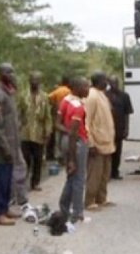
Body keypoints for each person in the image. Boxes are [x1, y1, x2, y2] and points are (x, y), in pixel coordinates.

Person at [0, 63, 22, 226]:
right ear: (1, 74)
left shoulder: (8, 92)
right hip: (0, 146)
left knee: (7, 178)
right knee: (1, 178)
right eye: (9, 72)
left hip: (11, 143)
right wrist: (5, 147)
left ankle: (5, 207)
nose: (12, 74)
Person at [57, 78, 90, 223]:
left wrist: (67, 131)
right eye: (86, 86)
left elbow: (57, 123)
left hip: (66, 140)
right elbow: (75, 132)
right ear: (77, 88)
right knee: (79, 179)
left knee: (71, 176)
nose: (88, 89)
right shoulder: (78, 107)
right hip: (76, 143)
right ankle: (77, 213)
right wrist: (72, 158)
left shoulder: (65, 100)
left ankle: (64, 207)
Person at [84, 72, 116, 211]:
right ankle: (89, 201)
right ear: (99, 81)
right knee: (95, 174)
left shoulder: (101, 94)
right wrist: (90, 143)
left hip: (107, 142)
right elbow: (87, 121)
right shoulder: (91, 96)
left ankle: (101, 198)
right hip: (96, 143)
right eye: (105, 80)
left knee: (105, 173)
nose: (107, 82)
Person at [19, 71, 52, 191]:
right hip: (25, 133)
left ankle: (35, 182)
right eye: (33, 80)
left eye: (37, 80)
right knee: (25, 158)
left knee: (38, 159)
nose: (35, 82)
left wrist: (48, 131)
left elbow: (48, 116)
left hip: (38, 132)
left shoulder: (44, 97)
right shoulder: (23, 96)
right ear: (29, 81)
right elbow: (19, 112)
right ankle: (23, 182)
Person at [105, 76, 134, 180]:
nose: (114, 85)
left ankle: (115, 172)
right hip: (107, 129)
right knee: (108, 151)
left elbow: (127, 113)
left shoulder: (124, 96)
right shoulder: (104, 95)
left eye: (116, 83)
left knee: (117, 151)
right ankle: (107, 173)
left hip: (119, 128)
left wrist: (126, 129)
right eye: (112, 83)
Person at [47, 76, 71, 161]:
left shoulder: (57, 91)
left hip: (57, 115)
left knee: (57, 135)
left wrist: (53, 104)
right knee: (65, 134)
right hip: (67, 116)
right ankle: (64, 155)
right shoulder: (70, 91)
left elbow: (48, 98)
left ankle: (58, 154)